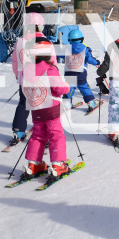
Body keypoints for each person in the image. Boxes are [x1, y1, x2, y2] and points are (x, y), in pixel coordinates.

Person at [19, 37, 72, 184]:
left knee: (37, 135)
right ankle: (58, 164)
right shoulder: (49, 68)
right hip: (51, 108)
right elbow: (59, 88)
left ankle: (33, 164)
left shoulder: (27, 69)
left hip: (36, 107)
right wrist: (67, 87)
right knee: (55, 135)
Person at [9, 13, 52, 146]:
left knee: (23, 103)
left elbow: (15, 61)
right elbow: (51, 62)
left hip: (24, 80)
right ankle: (45, 136)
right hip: (41, 80)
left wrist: (17, 75)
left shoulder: (20, 41)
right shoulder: (44, 41)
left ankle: (18, 131)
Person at [58, 29, 100, 113]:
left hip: (69, 72)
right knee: (84, 87)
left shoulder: (66, 48)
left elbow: (61, 55)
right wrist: (97, 62)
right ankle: (91, 103)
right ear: (82, 39)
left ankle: (66, 104)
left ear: (69, 39)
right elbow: (90, 59)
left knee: (69, 88)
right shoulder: (85, 48)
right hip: (81, 73)